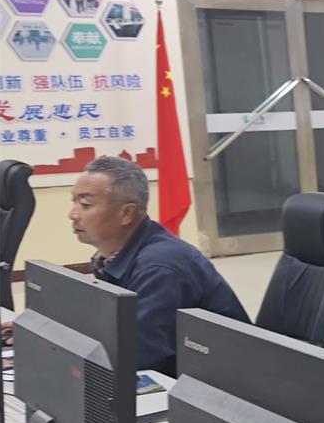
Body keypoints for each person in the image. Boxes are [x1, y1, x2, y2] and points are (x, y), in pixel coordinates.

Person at [71, 155, 249, 375]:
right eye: (74, 202)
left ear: (126, 213)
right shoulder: (112, 258)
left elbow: (138, 358)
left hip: (221, 383)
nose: (73, 214)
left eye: (85, 205)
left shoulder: (158, 267)